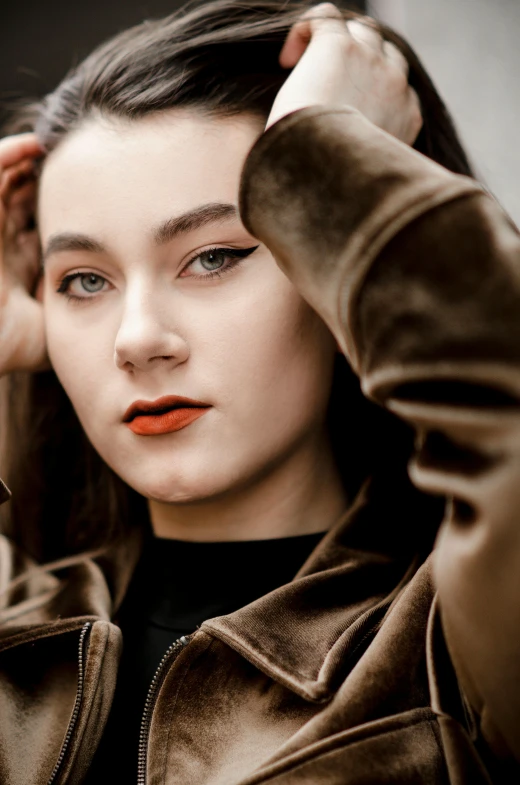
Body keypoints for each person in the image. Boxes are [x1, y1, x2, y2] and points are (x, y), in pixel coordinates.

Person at [0, 0, 519, 782]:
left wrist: (329, 160)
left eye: (212, 257)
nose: (136, 339)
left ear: (327, 257)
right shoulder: (14, 631)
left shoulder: (451, 652)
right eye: (84, 279)